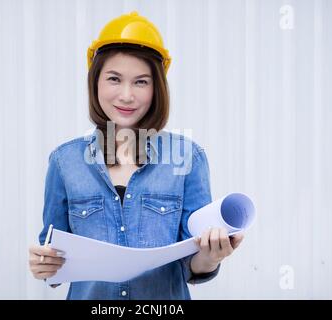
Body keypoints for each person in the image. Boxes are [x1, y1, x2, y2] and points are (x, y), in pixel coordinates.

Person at [29, 11, 244, 300]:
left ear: (157, 88)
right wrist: (44, 265)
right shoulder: (64, 162)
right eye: (114, 79)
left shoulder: (188, 157)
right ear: (96, 83)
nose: (127, 95)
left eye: (141, 82)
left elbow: (192, 265)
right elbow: (52, 263)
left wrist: (211, 257)